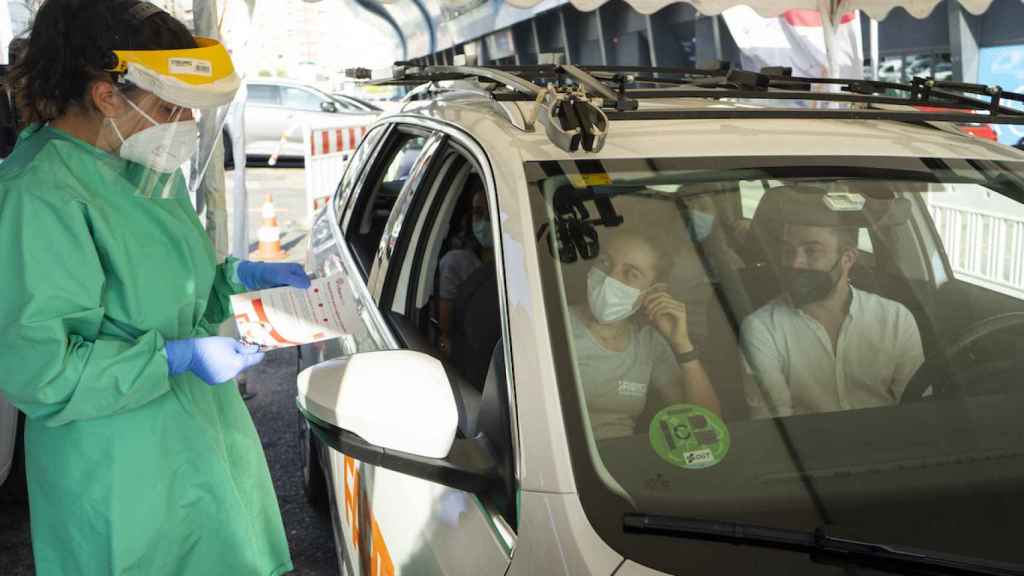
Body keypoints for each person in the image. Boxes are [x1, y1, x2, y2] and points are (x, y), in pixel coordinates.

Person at [0, 1, 304, 574]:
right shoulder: (36, 195)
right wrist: (174, 358)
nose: (185, 126)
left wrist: (236, 279)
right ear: (106, 95)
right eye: (169, 107)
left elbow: (167, 288)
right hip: (121, 472)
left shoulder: (143, 169)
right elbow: (42, 372)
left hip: (203, 445)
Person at [740, 186, 924, 418]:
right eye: (788, 252)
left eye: (811, 251)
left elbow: (917, 410)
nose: (796, 263)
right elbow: (773, 424)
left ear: (847, 259)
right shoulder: (762, 328)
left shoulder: (896, 319)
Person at [570, 199, 721, 440]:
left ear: (651, 292)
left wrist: (682, 345)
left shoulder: (648, 344)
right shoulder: (555, 328)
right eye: (605, 262)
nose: (611, 277)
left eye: (631, 274)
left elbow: (705, 425)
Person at [437, 174, 492, 357]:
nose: (484, 221)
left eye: (491, 214)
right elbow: (446, 335)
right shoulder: (456, 263)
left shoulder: (527, 261)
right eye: (478, 213)